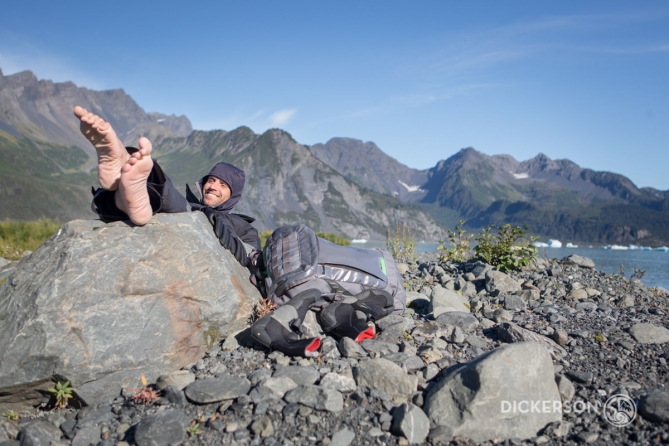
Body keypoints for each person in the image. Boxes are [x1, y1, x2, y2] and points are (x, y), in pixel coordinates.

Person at [74, 106, 261, 263]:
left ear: (233, 195)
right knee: (173, 204)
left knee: (178, 204)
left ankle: (133, 175)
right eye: (211, 180)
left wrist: (212, 221)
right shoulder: (193, 207)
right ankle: (124, 187)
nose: (213, 186)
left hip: (196, 224)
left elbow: (252, 258)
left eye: (223, 185)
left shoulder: (244, 227)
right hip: (182, 216)